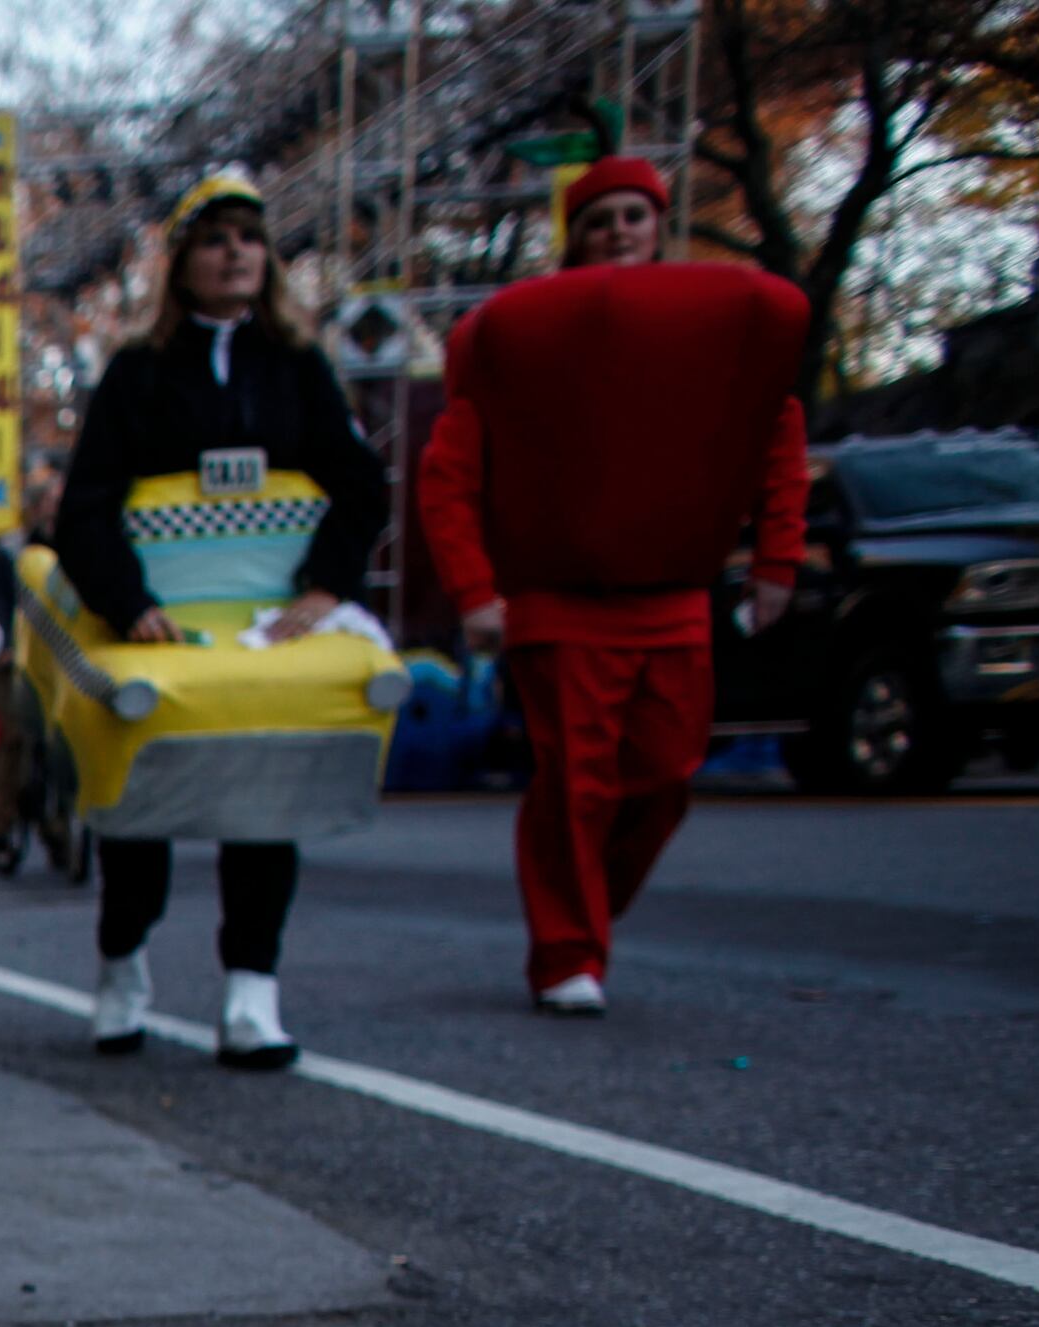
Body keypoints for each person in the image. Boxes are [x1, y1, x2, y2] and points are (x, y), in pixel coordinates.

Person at [414, 156, 809, 1017]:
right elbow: (451, 473)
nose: (619, 232)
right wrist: (477, 591)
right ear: (575, 237)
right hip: (560, 602)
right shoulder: (518, 344)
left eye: (635, 215)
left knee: (665, 777)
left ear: (659, 228)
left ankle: (585, 907)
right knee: (575, 781)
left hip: (673, 598)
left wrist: (777, 561)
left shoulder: (710, 337)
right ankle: (566, 949)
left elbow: (774, 440)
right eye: (600, 220)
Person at [50, 170, 388, 1073]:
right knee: (139, 808)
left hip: (270, 629)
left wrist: (323, 592)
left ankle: (252, 991)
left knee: (264, 799)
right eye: (214, 239)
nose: (236, 252)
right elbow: (85, 509)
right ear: (183, 263)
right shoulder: (136, 374)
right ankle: (122, 963)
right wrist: (134, 606)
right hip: (160, 628)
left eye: (250, 237)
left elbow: (360, 487)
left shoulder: (299, 368)